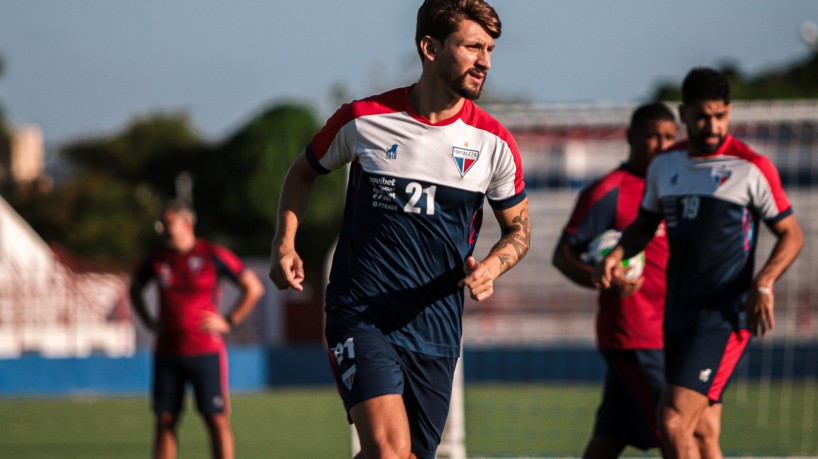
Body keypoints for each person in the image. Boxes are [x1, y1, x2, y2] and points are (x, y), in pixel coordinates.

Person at [268, 0, 530, 457]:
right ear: (429, 47)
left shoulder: (494, 144)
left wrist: (492, 266)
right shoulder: (363, 119)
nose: (484, 61)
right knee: (390, 451)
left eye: (489, 49)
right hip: (362, 315)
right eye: (472, 47)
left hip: (436, 329)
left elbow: (519, 231)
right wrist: (284, 241)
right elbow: (302, 172)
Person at [593, 67, 803, 458]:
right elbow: (643, 225)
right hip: (676, 316)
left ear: (729, 111)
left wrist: (763, 282)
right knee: (703, 434)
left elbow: (792, 233)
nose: (712, 125)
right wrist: (619, 254)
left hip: (721, 320)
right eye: (703, 116)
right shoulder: (665, 166)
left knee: (672, 421)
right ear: (684, 114)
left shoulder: (751, 167)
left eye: (720, 115)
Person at [553, 103, 677, 458]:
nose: (661, 145)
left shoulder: (677, 190)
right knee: (679, 428)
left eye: (669, 137)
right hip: (634, 335)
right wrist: (599, 276)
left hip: (669, 330)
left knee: (612, 434)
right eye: (652, 136)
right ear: (630, 137)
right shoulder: (609, 191)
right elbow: (562, 256)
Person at [130, 200, 265, 459]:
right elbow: (135, 288)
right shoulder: (157, 259)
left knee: (216, 420)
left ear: (186, 223)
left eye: (167, 223)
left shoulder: (212, 254)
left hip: (206, 353)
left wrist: (229, 320)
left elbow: (253, 287)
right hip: (167, 353)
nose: (162, 229)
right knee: (165, 420)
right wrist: (147, 319)